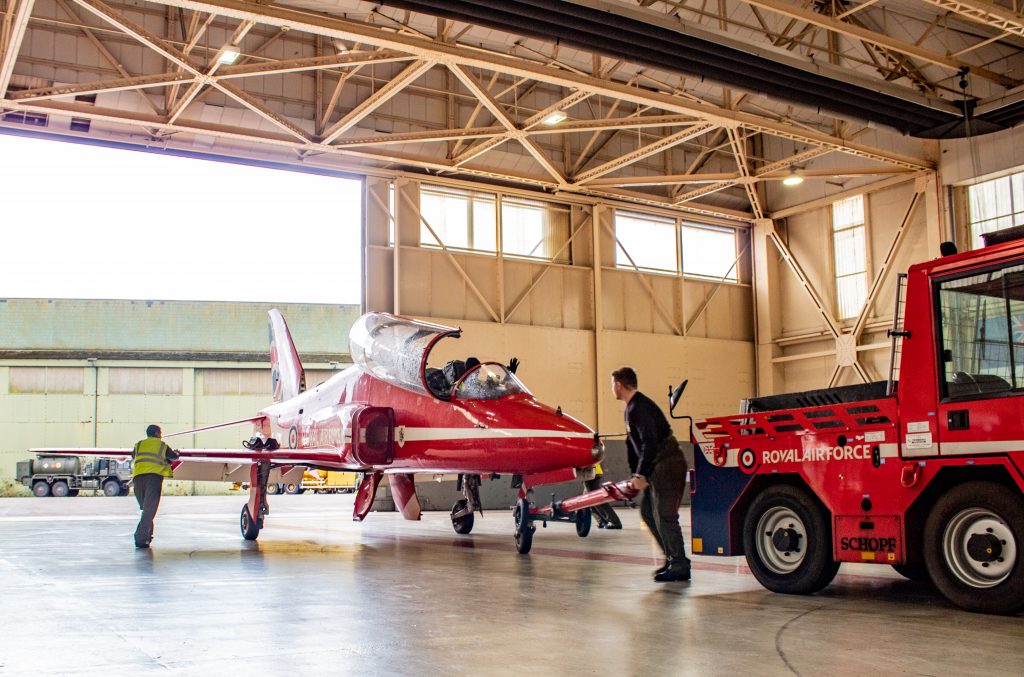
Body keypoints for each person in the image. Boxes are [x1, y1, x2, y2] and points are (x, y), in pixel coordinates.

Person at [612, 366, 691, 582]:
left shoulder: (640, 407)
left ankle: (680, 564)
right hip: (656, 466)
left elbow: (650, 442)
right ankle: (672, 558)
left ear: (619, 384)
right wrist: (636, 474)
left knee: (665, 515)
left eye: (613, 384)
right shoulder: (631, 408)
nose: (612, 388)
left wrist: (641, 474)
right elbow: (633, 445)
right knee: (648, 512)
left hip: (667, 463)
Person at [131, 424, 179, 548]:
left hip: (137, 479)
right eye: (160, 433)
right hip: (152, 478)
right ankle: (140, 539)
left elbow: (133, 456)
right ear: (157, 433)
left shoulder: (139, 444)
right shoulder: (161, 445)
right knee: (149, 510)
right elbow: (173, 456)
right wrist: (177, 453)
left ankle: (147, 537)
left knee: (147, 510)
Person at [585, 463, 622, 529]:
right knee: (587, 501)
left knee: (596, 499)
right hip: (590, 471)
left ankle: (614, 522)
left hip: (590, 471)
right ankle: (602, 521)